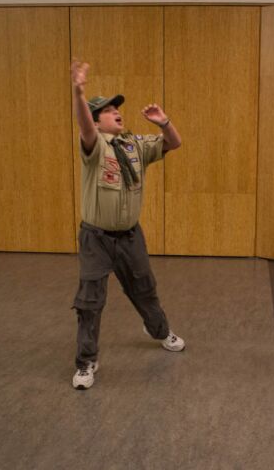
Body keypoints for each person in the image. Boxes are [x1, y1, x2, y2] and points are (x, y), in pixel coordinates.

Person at [69, 59, 186, 390]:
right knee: (90, 301)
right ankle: (86, 361)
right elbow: (84, 126)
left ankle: (159, 330)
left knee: (144, 288)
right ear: (96, 120)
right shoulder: (95, 146)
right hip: (96, 238)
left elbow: (173, 143)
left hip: (130, 236)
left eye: (117, 108)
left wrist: (165, 122)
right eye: (108, 110)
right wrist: (79, 94)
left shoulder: (135, 144)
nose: (116, 111)